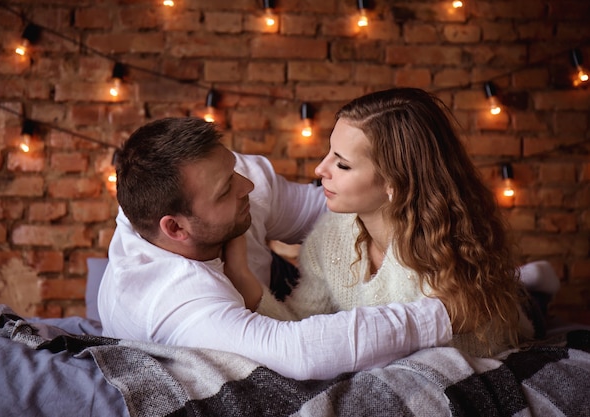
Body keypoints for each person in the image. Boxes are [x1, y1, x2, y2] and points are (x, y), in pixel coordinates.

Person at [97, 116, 453, 381]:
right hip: (237, 315)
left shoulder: (228, 179)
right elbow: (297, 351)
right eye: (226, 190)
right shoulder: (173, 300)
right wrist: (443, 314)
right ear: (175, 228)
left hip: (269, 279)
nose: (247, 185)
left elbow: (331, 209)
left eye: (234, 169)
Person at [228, 88, 540, 357]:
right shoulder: (330, 236)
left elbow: (459, 355)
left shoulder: (439, 252)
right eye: (329, 153)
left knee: (529, 306)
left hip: (494, 339)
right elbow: (300, 327)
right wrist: (240, 273)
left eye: (343, 164)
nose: (320, 169)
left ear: (395, 183)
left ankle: (536, 284)